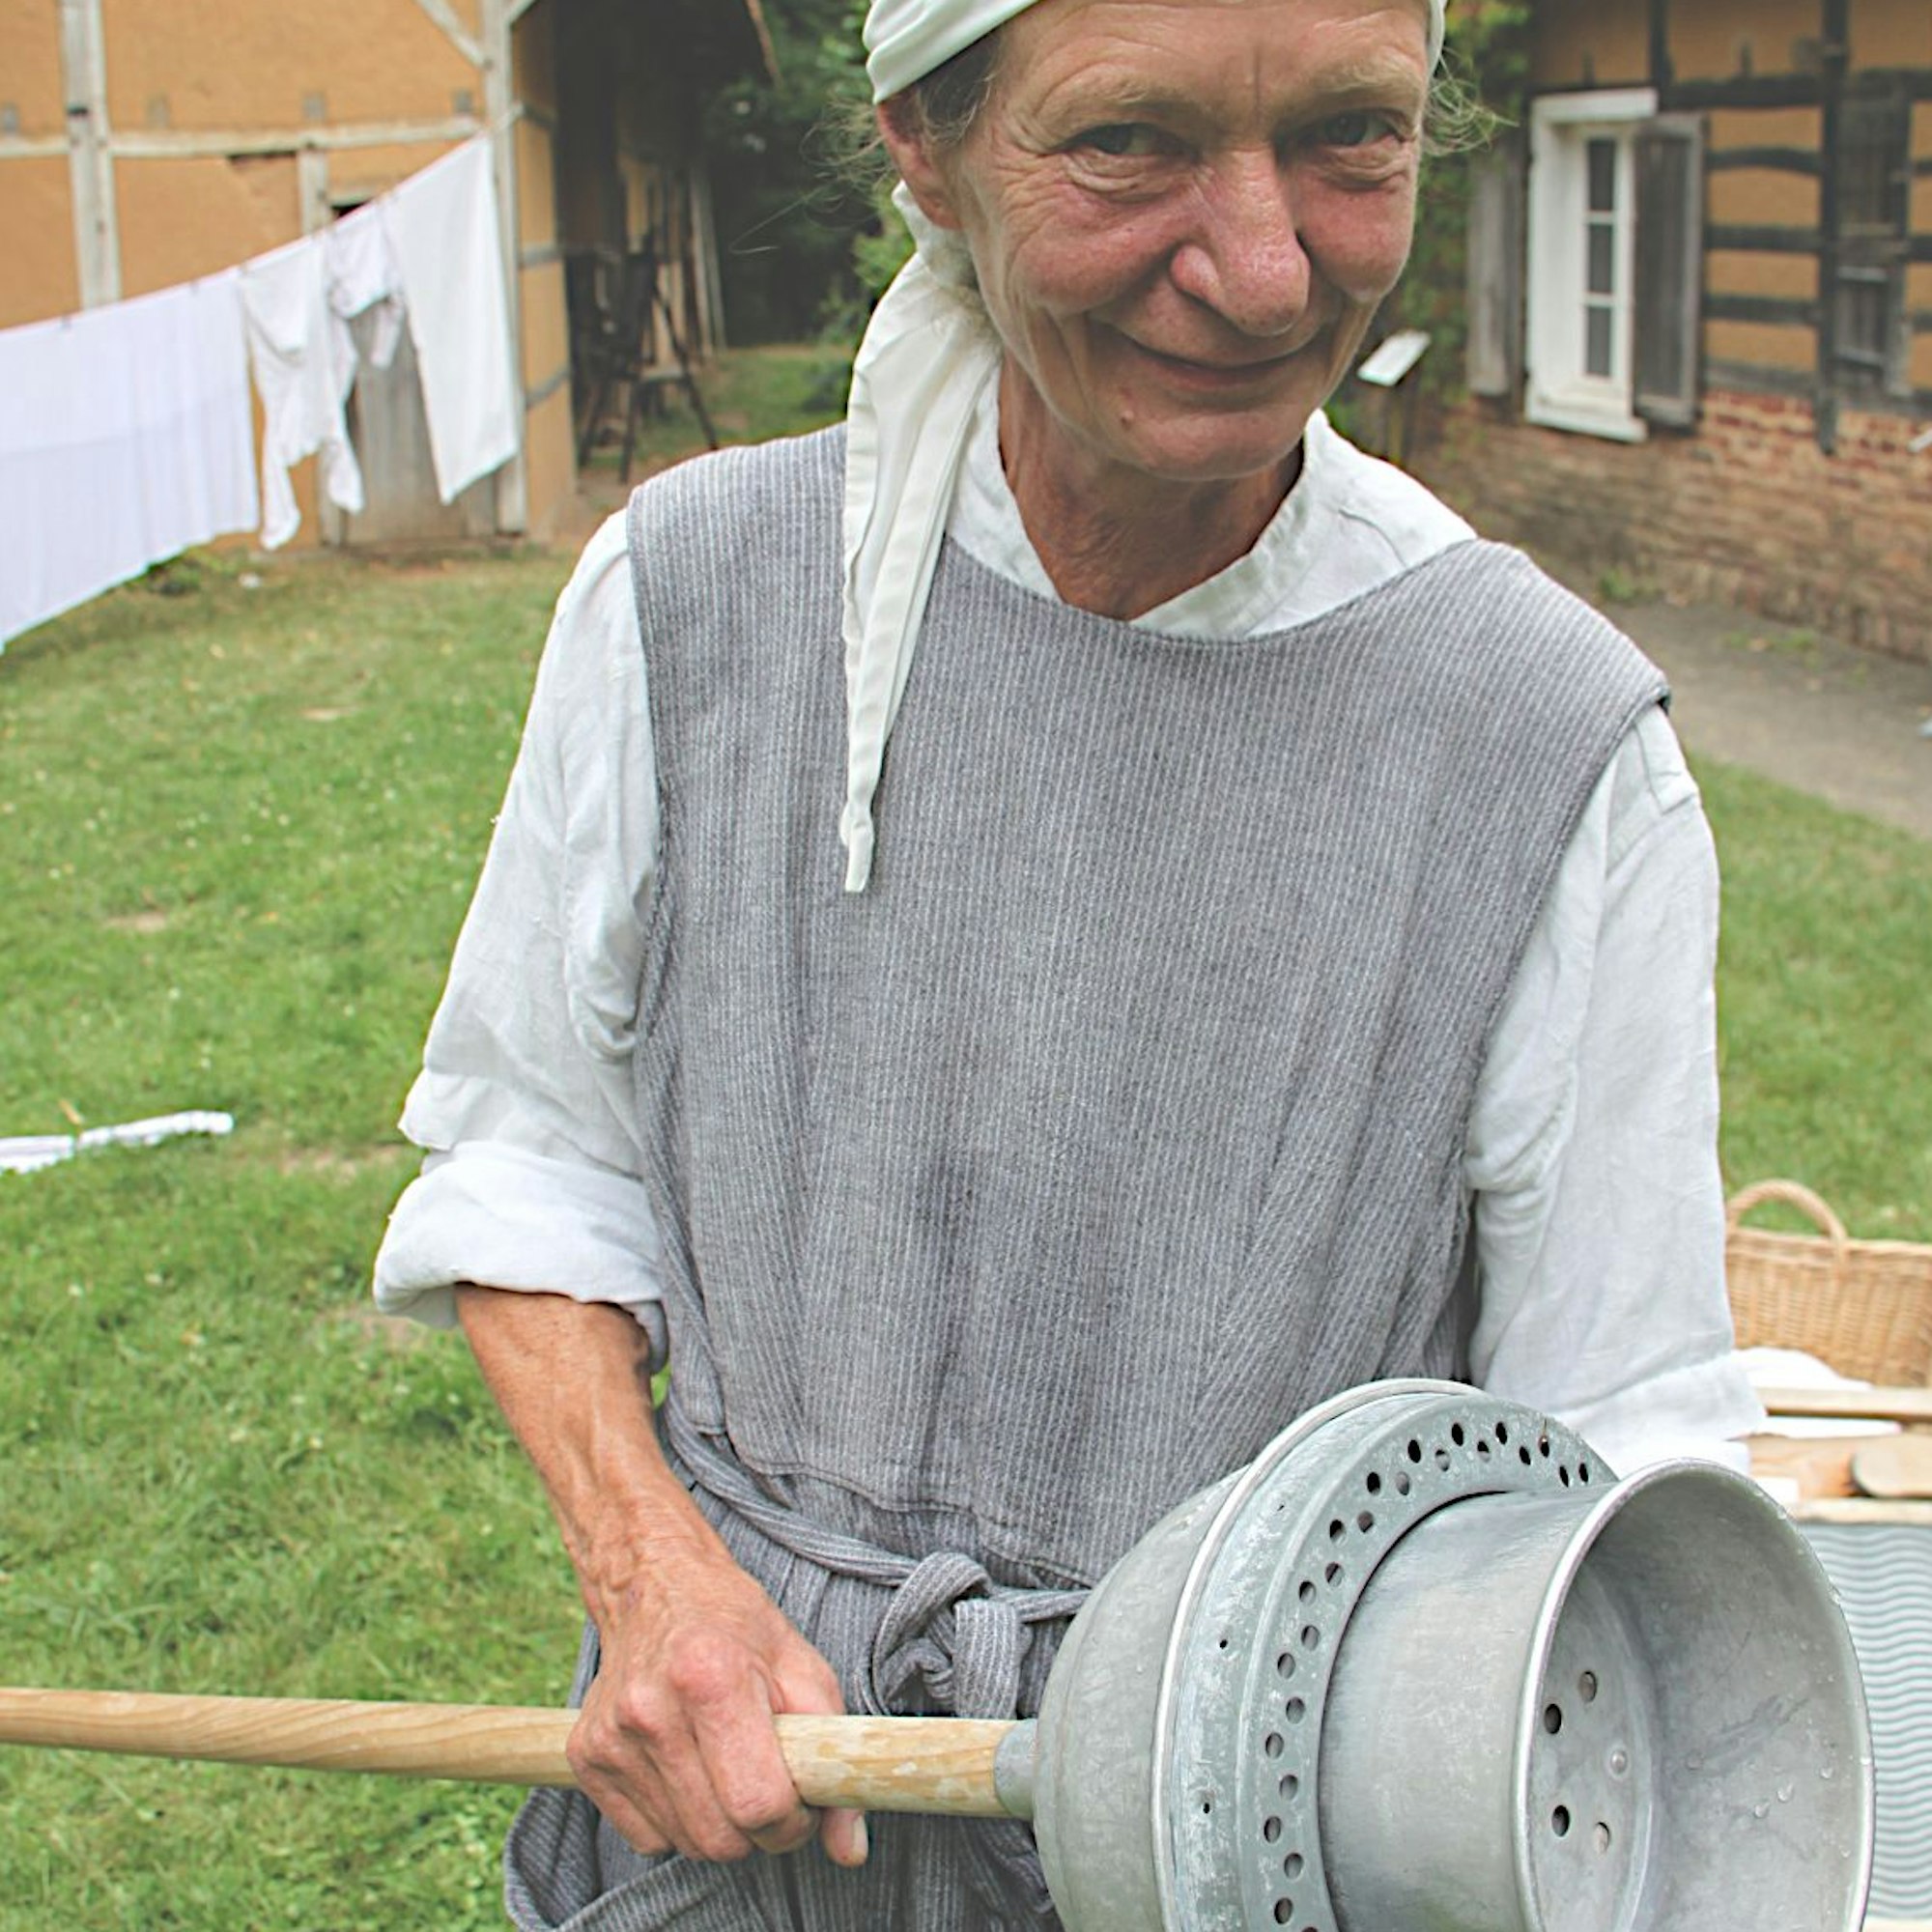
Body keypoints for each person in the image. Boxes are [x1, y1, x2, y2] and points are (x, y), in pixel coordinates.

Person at [374, 0, 1762, 1923]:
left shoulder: (1539, 747)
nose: (1264, 269)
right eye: (1131, 142)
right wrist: (650, 1574)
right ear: (926, 146)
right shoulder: (692, 601)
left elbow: (1622, 1453)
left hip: (1255, 1849)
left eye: (1351, 138)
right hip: (739, 1821)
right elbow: (535, 1165)